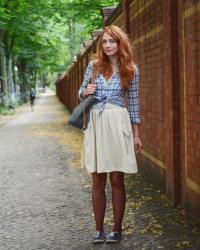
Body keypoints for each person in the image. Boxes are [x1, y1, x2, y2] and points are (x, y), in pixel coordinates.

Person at [78, 25, 142, 244]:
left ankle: (116, 229)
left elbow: (133, 104)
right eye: (104, 42)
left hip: (118, 124)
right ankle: (98, 230)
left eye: (111, 42)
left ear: (119, 43)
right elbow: (81, 93)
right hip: (96, 122)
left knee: (117, 179)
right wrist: (85, 91)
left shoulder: (131, 68)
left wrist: (136, 135)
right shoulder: (94, 66)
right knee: (97, 179)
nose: (107, 45)